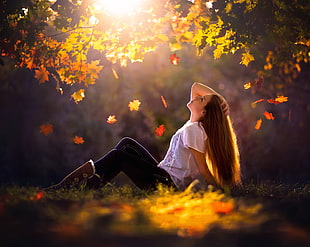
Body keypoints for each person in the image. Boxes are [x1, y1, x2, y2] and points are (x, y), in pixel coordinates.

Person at [46, 82, 241, 191]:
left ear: (204, 111)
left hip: (167, 184)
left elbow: (204, 170)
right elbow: (195, 86)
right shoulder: (192, 125)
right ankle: (86, 185)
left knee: (118, 156)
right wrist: (219, 98)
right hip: (162, 174)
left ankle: (69, 186)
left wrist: (222, 192)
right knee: (127, 144)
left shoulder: (194, 131)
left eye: (201, 99)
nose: (196, 97)